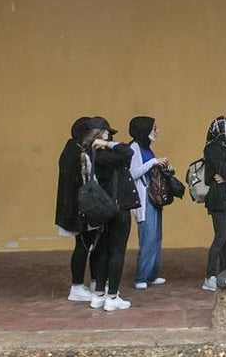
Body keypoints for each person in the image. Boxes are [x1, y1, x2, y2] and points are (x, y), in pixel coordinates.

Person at [86, 117, 138, 312]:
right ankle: (112, 296)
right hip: (119, 207)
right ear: (100, 134)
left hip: (104, 207)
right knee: (117, 251)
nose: (111, 137)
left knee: (104, 251)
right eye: (108, 134)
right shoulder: (107, 154)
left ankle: (99, 294)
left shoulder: (93, 153)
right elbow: (128, 150)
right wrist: (108, 144)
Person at [55, 116, 99, 300]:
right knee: (82, 246)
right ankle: (77, 286)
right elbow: (83, 181)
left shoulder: (73, 149)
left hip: (77, 207)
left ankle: (82, 284)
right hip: (80, 209)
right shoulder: (78, 154)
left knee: (85, 245)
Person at [128, 116, 170, 290]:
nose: (156, 130)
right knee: (147, 237)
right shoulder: (135, 147)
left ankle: (151, 274)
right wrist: (154, 162)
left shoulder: (146, 148)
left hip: (152, 197)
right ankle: (141, 277)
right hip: (144, 199)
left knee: (156, 237)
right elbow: (133, 173)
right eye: (154, 127)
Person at [202, 115, 226, 292]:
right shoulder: (213, 148)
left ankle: (224, 271)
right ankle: (209, 276)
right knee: (220, 236)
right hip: (218, 200)